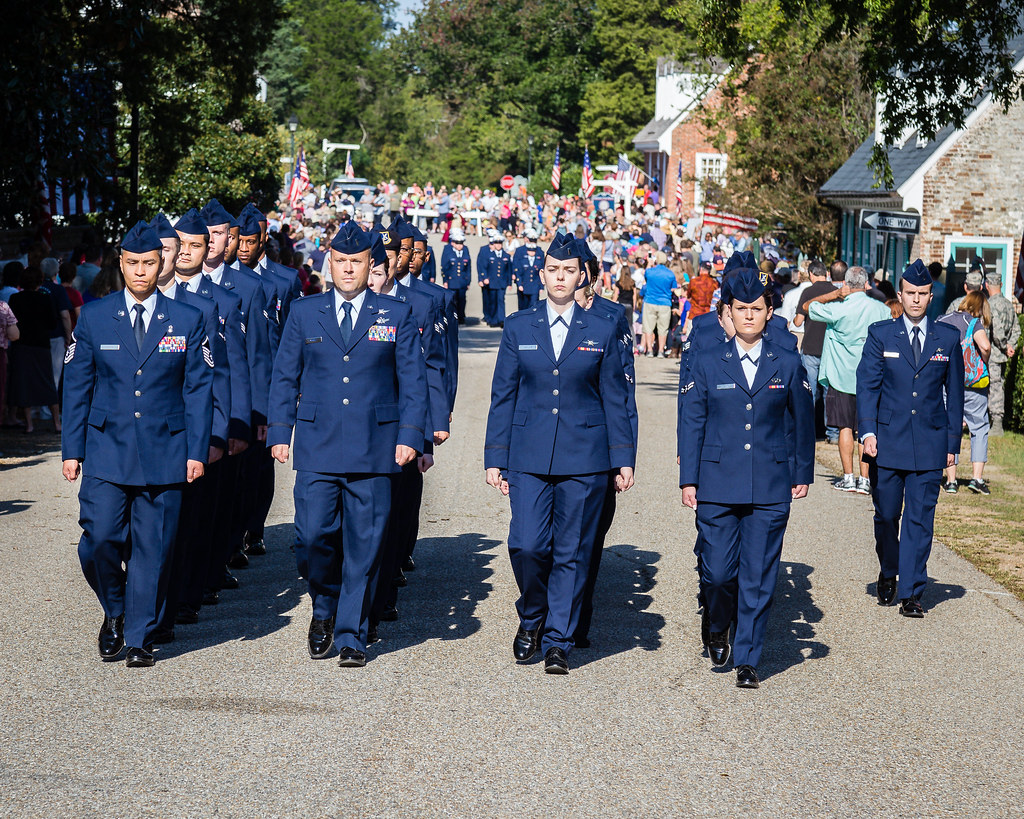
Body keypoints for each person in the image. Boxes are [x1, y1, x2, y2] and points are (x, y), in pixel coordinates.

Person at [268, 222, 428, 668]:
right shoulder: (304, 312)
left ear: (370, 265)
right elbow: (285, 375)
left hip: (376, 447)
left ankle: (351, 633)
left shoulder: (394, 313)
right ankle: (323, 607)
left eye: (356, 262)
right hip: (318, 445)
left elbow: (413, 383)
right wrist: (280, 431)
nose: (347, 270)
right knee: (313, 536)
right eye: (339, 262)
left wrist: (410, 436)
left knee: (366, 543)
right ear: (329, 264)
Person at [61, 220, 214, 667]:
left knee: (154, 547)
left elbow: (198, 389)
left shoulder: (188, 318)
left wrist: (195, 452)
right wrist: (72, 450)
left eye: (150, 263)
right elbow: (77, 386)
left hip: (165, 450)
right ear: (121, 264)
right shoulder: (94, 316)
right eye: (133, 264)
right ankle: (116, 609)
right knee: (100, 540)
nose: (142, 271)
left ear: (162, 262)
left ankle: (139, 636)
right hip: (108, 448)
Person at [484, 232, 635, 675]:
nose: (560, 278)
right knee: (527, 545)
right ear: (541, 273)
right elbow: (503, 396)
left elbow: (615, 396)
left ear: (582, 275)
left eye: (569, 271)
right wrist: (495, 455)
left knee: (572, 550)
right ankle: (532, 616)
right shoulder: (518, 325)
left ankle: (557, 639)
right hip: (528, 454)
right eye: (553, 270)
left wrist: (623, 456)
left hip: (585, 456)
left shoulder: (603, 328)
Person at [680, 268, 815, 689]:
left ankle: (748, 658)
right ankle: (718, 624)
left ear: (769, 313)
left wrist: (801, 472)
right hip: (717, 481)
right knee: (718, 573)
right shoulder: (706, 361)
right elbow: (693, 422)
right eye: (741, 310)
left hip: (771, 483)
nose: (750, 316)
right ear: (728, 314)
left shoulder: (788, 362)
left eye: (757, 309)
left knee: (758, 575)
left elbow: (801, 423)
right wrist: (689, 480)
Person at [857, 259, 964, 618]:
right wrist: (868, 431)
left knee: (920, 519)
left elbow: (955, 395)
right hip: (887, 441)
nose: (916, 300)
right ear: (900, 295)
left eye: (922, 294)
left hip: (930, 443)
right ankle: (889, 570)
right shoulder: (880, 335)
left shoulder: (947, 338)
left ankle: (912, 591)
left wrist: (952, 445)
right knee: (887, 515)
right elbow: (867, 386)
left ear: (930, 296)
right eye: (910, 294)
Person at [804, 266, 891, 494]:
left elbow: (809, 307)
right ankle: (865, 479)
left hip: (841, 375)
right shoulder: (880, 309)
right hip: (871, 377)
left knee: (844, 428)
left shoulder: (838, 308)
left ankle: (848, 476)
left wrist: (834, 294)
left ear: (846, 284)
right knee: (866, 428)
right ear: (866, 283)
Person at [938, 291, 992, 494]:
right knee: (979, 427)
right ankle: (976, 479)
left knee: (949, 426)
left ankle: (950, 480)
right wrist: (983, 360)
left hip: (946, 381)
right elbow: (985, 345)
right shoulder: (974, 323)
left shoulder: (942, 319)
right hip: (971, 384)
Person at [796, 260, 845, 443]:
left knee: (808, 391)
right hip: (831, 349)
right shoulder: (836, 293)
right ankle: (832, 433)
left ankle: (807, 430)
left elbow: (798, 322)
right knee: (829, 393)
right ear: (827, 273)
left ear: (811, 274)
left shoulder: (808, 292)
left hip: (810, 347)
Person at [8, 266, 60, 433]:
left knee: (25, 384)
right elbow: (53, 322)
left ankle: (30, 424)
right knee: (47, 382)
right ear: (39, 281)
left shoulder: (15, 299)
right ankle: (57, 423)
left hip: (21, 345)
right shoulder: (45, 298)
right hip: (41, 344)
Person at [982, 271, 1020, 436]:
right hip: (1002, 355)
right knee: (998, 386)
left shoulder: (989, 304)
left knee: (994, 387)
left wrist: (1004, 346)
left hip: (992, 354)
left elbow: (996, 332)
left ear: (986, 285)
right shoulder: (1008, 305)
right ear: (1001, 285)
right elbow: (1017, 329)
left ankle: (996, 424)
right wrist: (1011, 345)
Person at [641, 251, 677, 357]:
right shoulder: (670, 274)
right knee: (663, 328)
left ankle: (649, 350)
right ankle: (661, 350)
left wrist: (649, 263)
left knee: (648, 327)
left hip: (650, 301)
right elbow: (673, 288)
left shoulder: (650, 272)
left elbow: (645, 277)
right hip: (665, 302)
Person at [478, 230, 511, 327]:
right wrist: (483, 278)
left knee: (501, 301)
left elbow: (509, 270)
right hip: (491, 282)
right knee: (492, 301)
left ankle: (501, 319)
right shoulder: (489, 255)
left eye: (500, 243)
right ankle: (492, 319)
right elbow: (483, 267)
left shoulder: (506, 255)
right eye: (496, 243)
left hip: (501, 282)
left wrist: (509, 282)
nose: (498, 245)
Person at [440, 228, 472, 323]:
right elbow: (445, 267)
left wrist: (468, 281)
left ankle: (461, 316)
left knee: (462, 300)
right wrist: (445, 281)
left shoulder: (465, 251)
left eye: (461, 243)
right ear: (453, 243)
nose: (460, 245)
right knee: (452, 300)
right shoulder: (448, 251)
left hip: (462, 281)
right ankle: (452, 317)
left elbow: (468, 268)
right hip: (452, 280)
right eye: (457, 243)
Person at [511, 228, 544, 311]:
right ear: (527, 239)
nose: (533, 242)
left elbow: (542, 266)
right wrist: (515, 276)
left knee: (534, 304)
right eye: (531, 240)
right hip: (523, 279)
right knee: (523, 303)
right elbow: (515, 264)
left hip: (534, 282)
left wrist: (541, 285)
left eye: (534, 240)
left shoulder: (539, 251)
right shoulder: (520, 250)